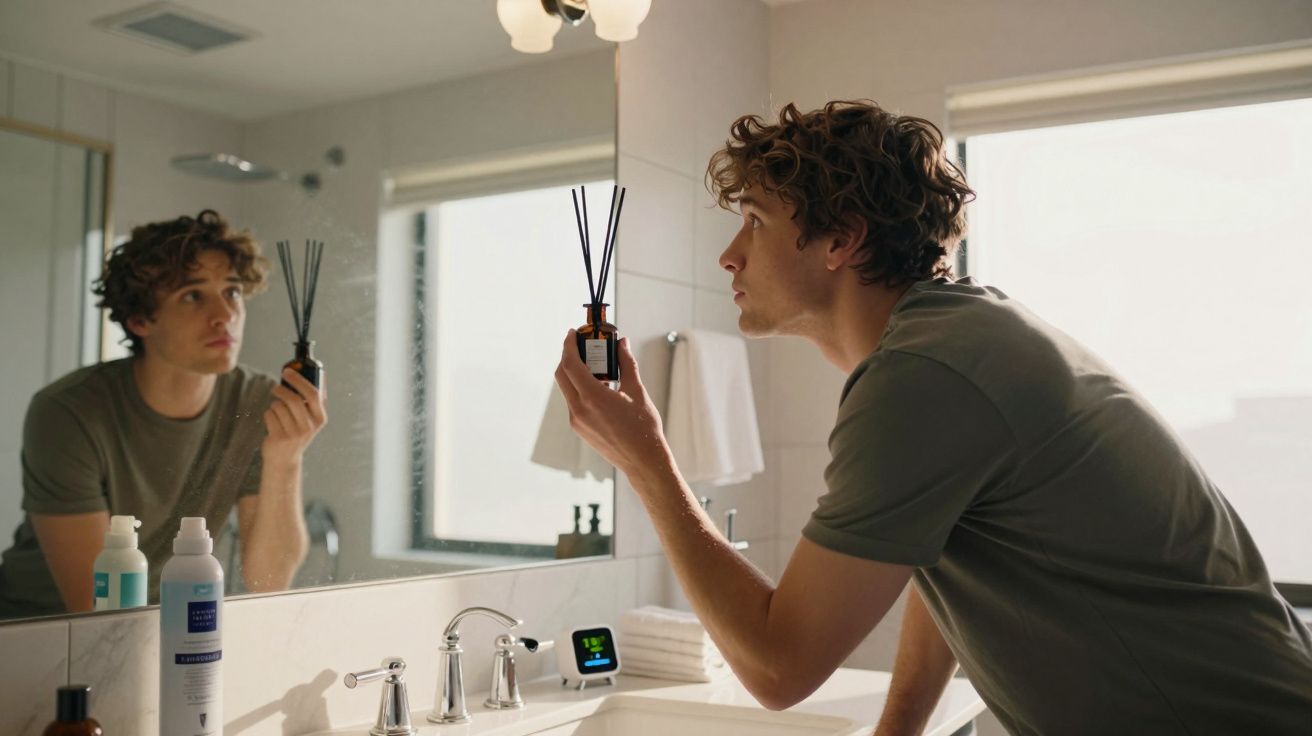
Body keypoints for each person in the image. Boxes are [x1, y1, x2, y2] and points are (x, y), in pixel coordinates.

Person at [554, 101, 1312, 734]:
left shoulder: (924, 375)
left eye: (754, 219)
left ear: (841, 239)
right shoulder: (960, 336)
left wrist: (648, 463)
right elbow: (930, 548)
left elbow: (779, 669)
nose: (729, 254)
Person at [0, 209, 326, 618]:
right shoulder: (69, 413)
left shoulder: (257, 401)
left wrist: (286, 459)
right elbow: (92, 605)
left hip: (163, 628)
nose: (224, 314)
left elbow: (269, 582)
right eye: (193, 295)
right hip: (36, 631)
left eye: (232, 292)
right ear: (140, 320)